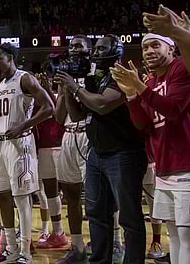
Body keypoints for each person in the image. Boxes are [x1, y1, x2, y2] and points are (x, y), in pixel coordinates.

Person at [111, 33, 190, 264]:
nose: (149, 51)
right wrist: (131, 95)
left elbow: (173, 108)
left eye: (156, 45)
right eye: (145, 47)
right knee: (173, 237)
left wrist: (139, 86)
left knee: (188, 237)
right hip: (165, 167)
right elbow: (143, 124)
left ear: (171, 47)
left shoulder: (183, 68)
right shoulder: (153, 81)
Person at [55, 35, 147, 264]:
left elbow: (103, 105)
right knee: (96, 214)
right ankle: (99, 260)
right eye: (94, 49)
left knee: (129, 217)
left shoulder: (122, 75)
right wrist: (69, 89)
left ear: (116, 51)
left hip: (124, 153)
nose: (95, 53)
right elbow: (76, 115)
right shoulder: (96, 78)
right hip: (97, 153)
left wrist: (75, 86)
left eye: (101, 48)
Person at [0, 42, 54, 264]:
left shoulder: (25, 78)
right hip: (1, 145)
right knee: (3, 195)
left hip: (20, 145)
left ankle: (26, 252)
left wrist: (24, 126)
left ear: (11, 58)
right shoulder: (1, 83)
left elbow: (49, 107)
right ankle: (11, 249)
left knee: (22, 198)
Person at [53, 35, 92, 264]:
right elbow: (59, 117)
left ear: (89, 50)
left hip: (90, 134)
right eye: (71, 46)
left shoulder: (94, 73)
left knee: (98, 197)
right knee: (71, 195)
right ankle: (77, 247)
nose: (74, 49)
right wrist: (63, 87)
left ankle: (114, 242)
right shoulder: (65, 77)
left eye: (79, 45)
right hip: (68, 135)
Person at [32, 73, 67, 250]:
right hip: (42, 150)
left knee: (71, 192)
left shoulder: (54, 95)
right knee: (49, 192)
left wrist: (45, 88)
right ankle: (58, 232)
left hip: (60, 146)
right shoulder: (30, 101)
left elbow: (54, 110)